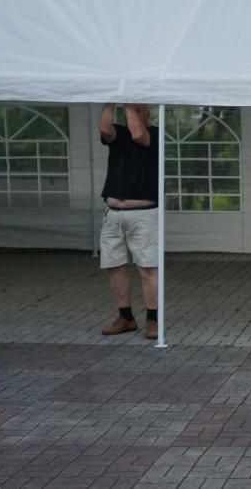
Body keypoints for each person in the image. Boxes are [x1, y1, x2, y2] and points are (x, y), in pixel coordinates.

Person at [96, 103, 160, 340]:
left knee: (148, 266)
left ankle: (153, 319)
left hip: (143, 213)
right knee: (114, 265)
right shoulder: (119, 134)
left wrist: (130, 103)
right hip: (113, 214)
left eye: (137, 109)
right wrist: (112, 99)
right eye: (130, 109)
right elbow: (104, 127)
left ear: (147, 114)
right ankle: (126, 317)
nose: (131, 112)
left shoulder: (154, 134)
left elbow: (138, 134)